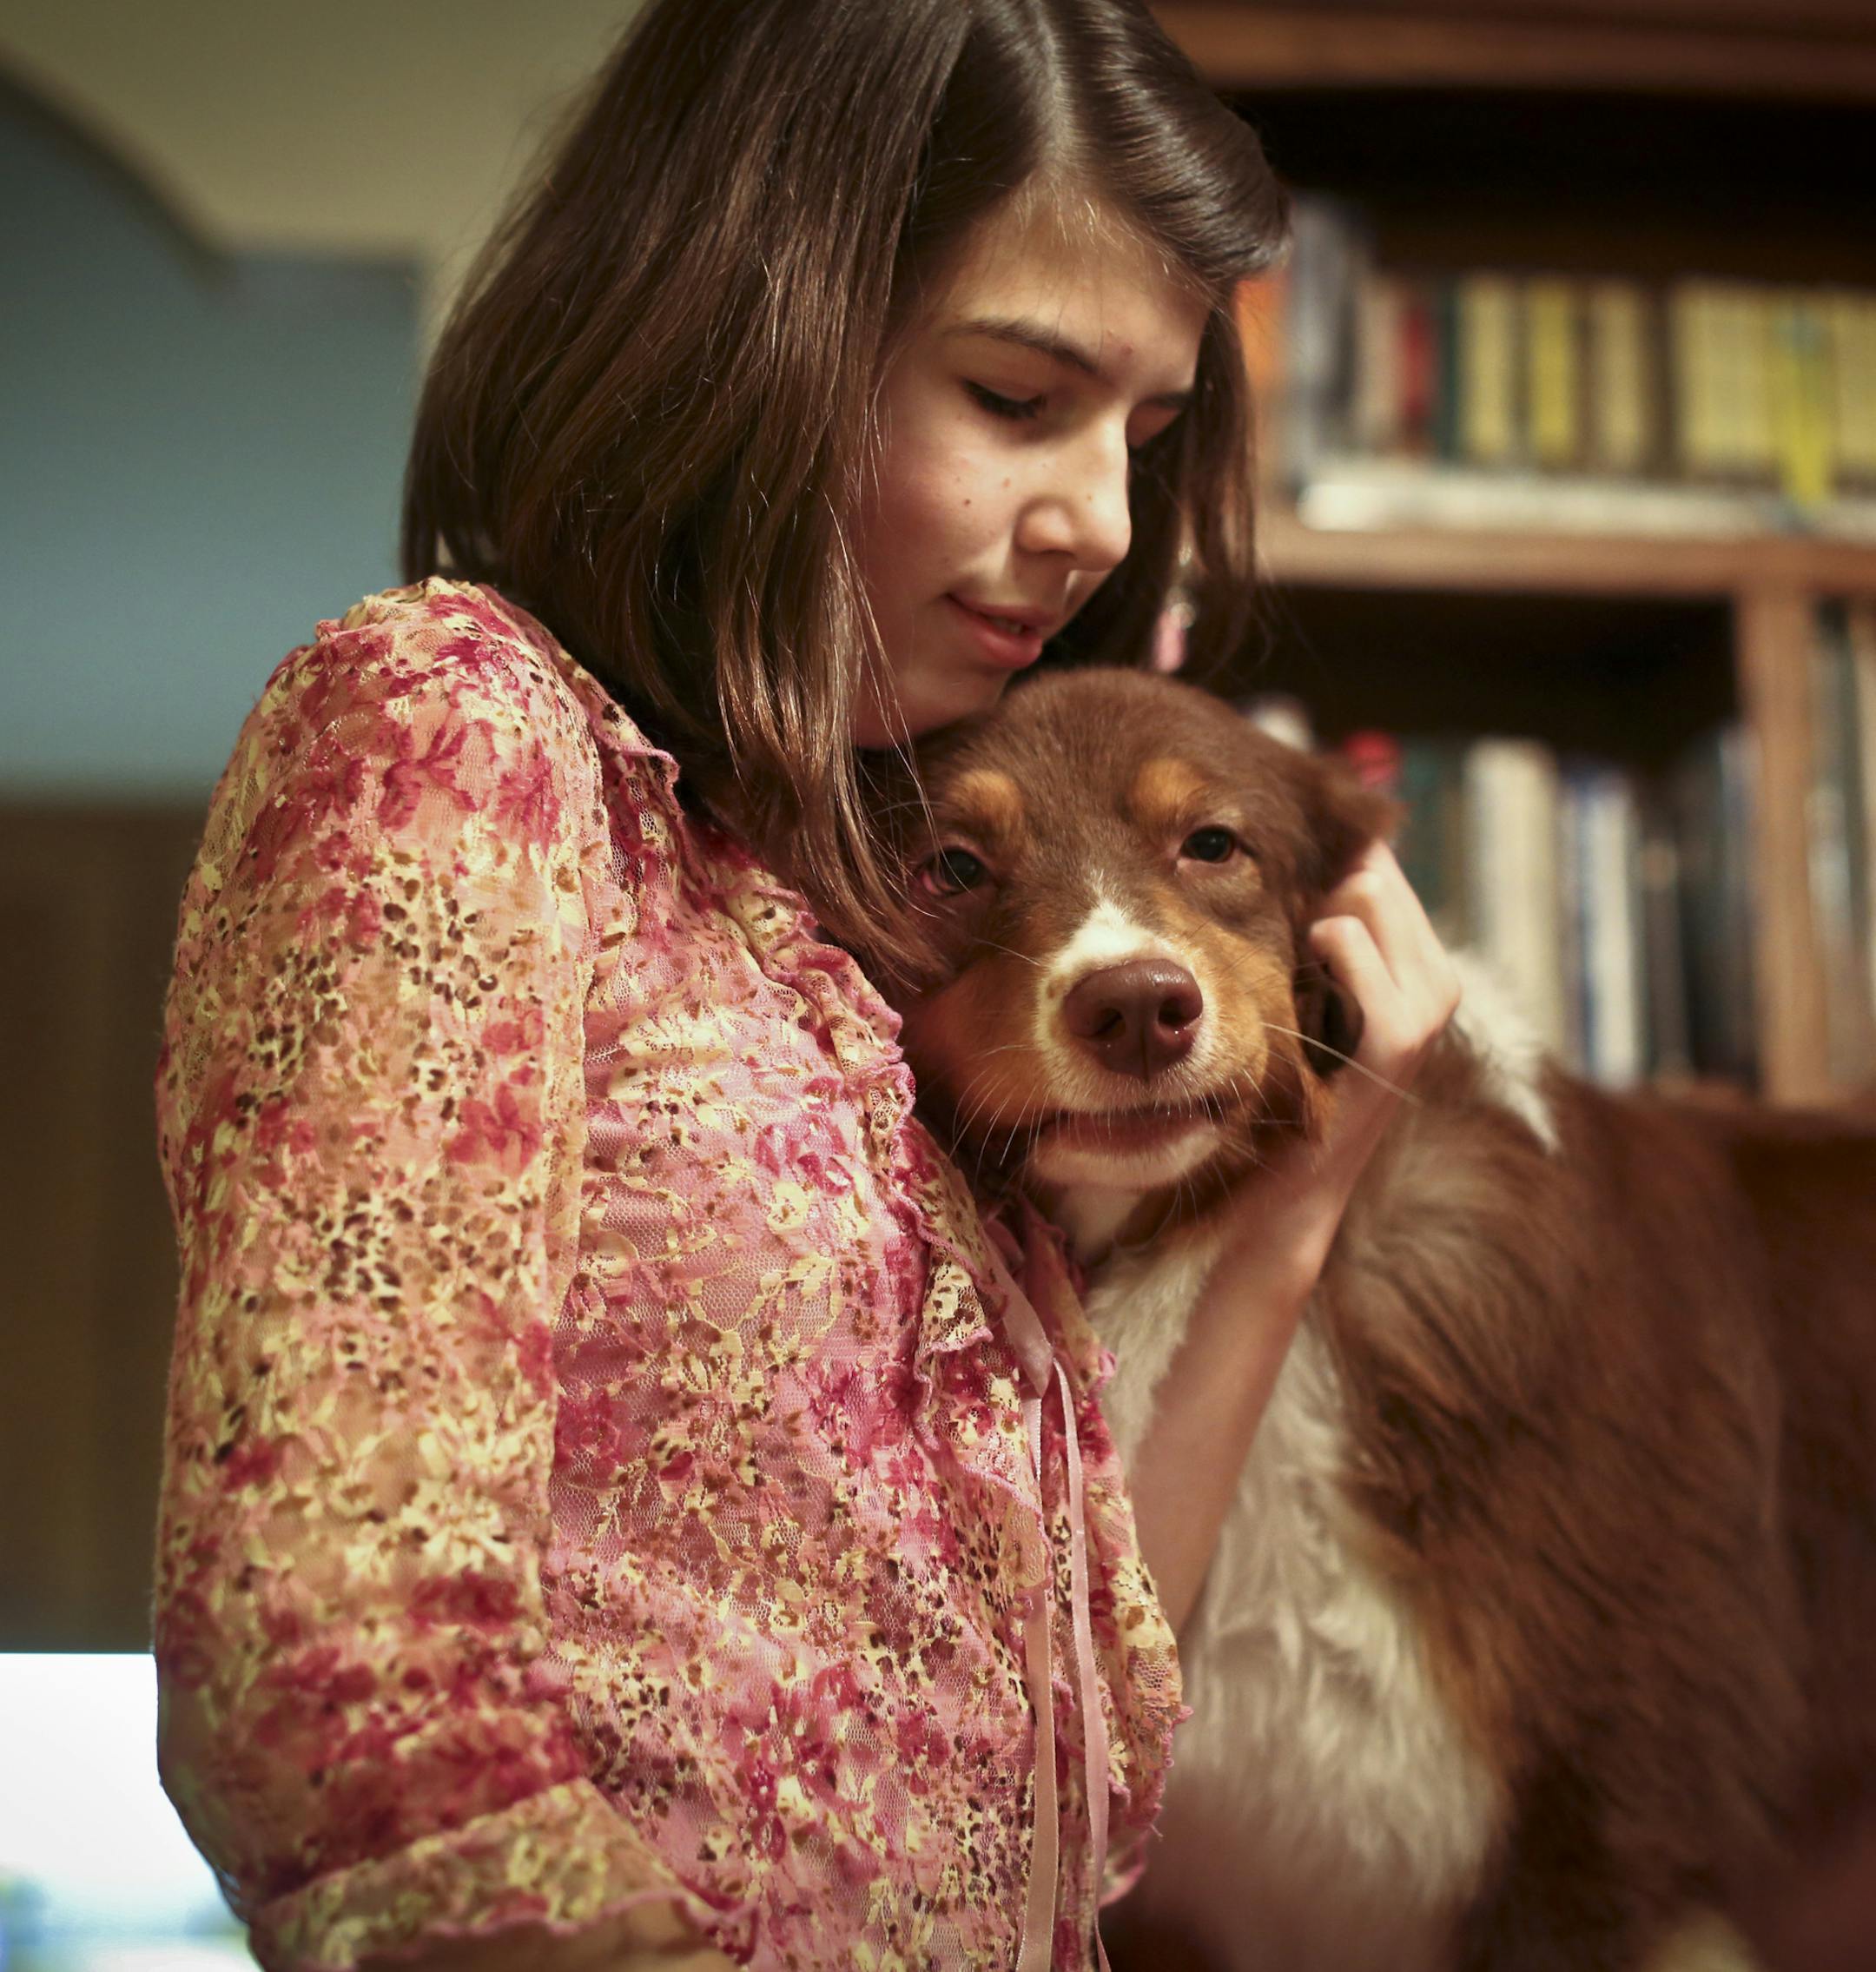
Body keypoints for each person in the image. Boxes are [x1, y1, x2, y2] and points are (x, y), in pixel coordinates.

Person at [150, 2, 1458, 1969]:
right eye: (1020, 397)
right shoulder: (456, 733)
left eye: (1148, 435)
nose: (1102, 517)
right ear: (742, 324)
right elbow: (343, 1703)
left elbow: (1076, 1763)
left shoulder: (869, 906)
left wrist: (1295, 1203)